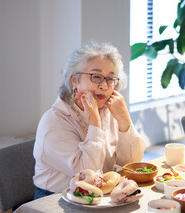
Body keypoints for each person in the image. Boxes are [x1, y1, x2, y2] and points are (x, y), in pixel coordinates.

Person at [33, 41, 146, 199]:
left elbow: (132, 162)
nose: (104, 86)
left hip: (99, 196)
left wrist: (124, 120)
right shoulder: (54, 122)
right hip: (54, 200)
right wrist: (95, 123)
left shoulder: (108, 110)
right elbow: (89, 173)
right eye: (96, 76)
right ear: (75, 80)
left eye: (110, 79)